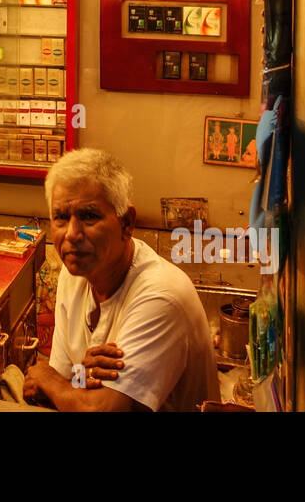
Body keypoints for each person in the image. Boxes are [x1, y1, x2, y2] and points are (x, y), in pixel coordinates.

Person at [23, 149, 218, 411]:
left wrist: (49, 380)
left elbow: (100, 408)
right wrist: (79, 378)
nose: (72, 233)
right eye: (60, 217)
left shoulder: (161, 296)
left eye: (89, 216)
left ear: (126, 223)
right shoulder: (74, 276)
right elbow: (64, 383)